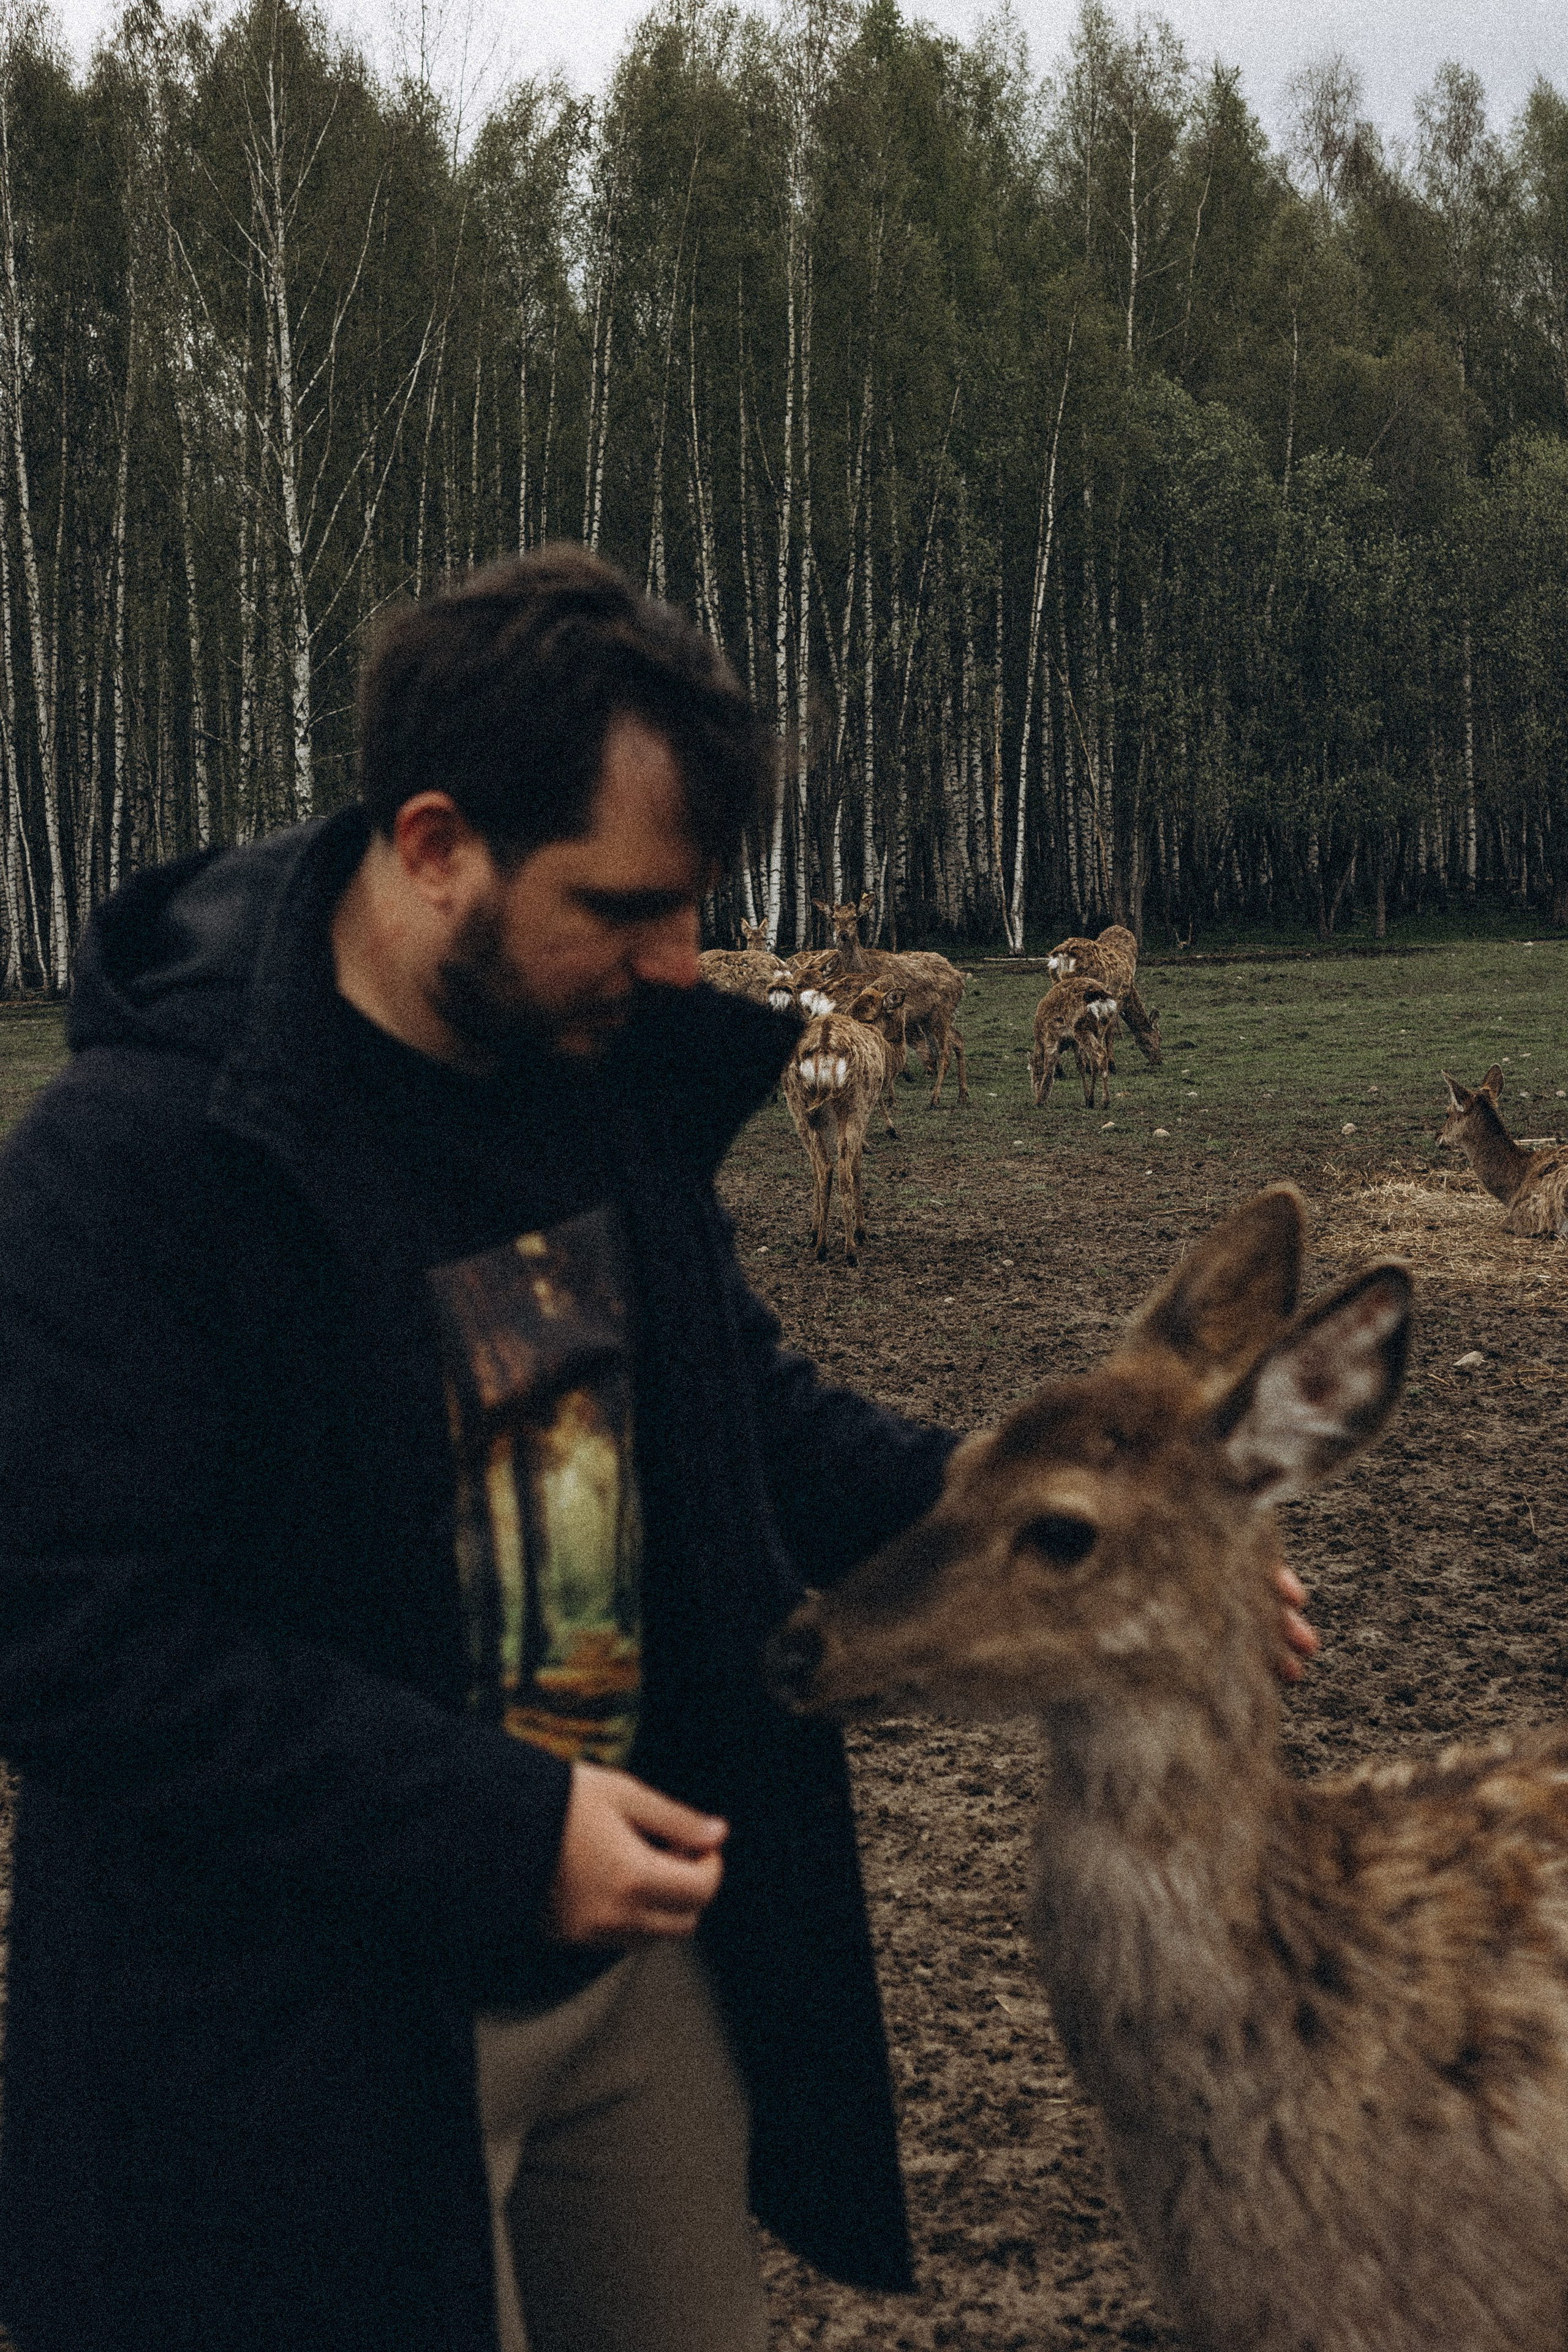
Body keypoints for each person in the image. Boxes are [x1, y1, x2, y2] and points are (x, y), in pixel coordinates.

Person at [0, 546, 1314, 2352]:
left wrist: (1104, 1535)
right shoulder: (136, 1166)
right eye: (626, 905)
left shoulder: (592, 1083)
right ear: (439, 842)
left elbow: (741, 1412)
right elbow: (71, 1632)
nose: (687, 965)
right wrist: (499, 1825)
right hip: (296, 2026)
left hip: (631, 1978)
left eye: (697, 906)